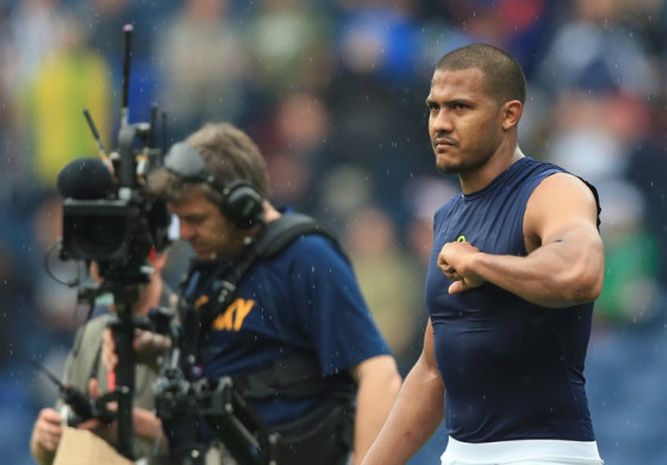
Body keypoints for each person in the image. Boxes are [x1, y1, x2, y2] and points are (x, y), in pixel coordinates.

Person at [360, 43, 605, 465]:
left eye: (460, 107)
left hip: (545, 454)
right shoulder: (448, 218)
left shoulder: (553, 191)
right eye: (434, 108)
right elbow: (433, 371)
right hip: (461, 455)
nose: (441, 123)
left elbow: (582, 273)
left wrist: (482, 264)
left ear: (509, 114)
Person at [104, 122, 401, 465]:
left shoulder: (305, 258)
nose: (184, 233)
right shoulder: (209, 267)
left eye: (196, 219)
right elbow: (221, 375)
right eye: (179, 220)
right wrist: (157, 353)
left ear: (239, 206)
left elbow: (380, 377)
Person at [30, 253, 172, 465]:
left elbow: (211, 445)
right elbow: (57, 448)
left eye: (122, 258)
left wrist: (133, 424)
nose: (108, 272)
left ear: (157, 258)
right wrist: (45, 440)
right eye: (99, 261)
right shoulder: (92, 335)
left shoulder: (189, 328)